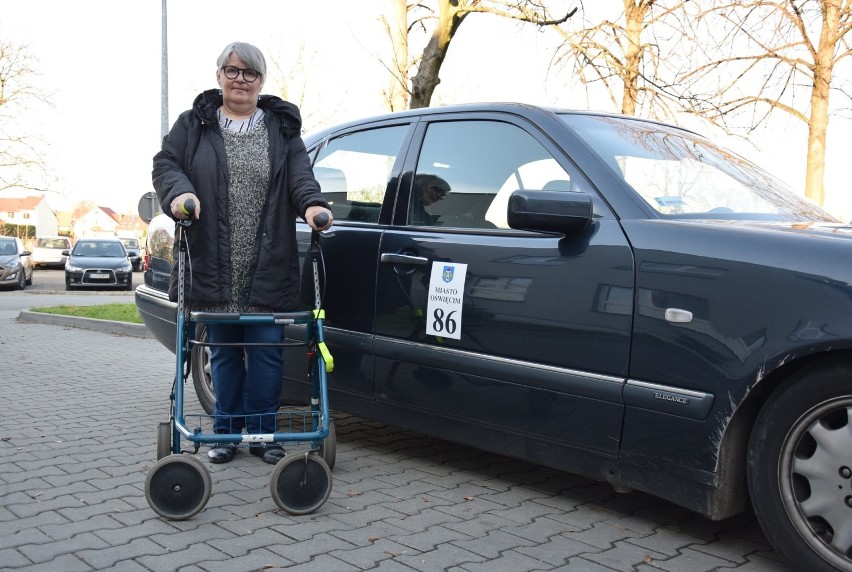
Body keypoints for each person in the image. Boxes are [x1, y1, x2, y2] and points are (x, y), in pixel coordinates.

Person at [152, 41, 333, 465]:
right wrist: (181, 195)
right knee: (225, 353)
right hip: (212, 261)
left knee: (267, 351)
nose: (240, 80)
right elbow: (166, 165)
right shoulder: (193, 125)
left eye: (249, 73)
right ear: (218, 77)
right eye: (232, 71)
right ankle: (228, 435)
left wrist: (313, 206)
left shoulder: (281, 130)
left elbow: (300, 179)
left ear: (261, 81)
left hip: (267, 261)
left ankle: (265, 433)